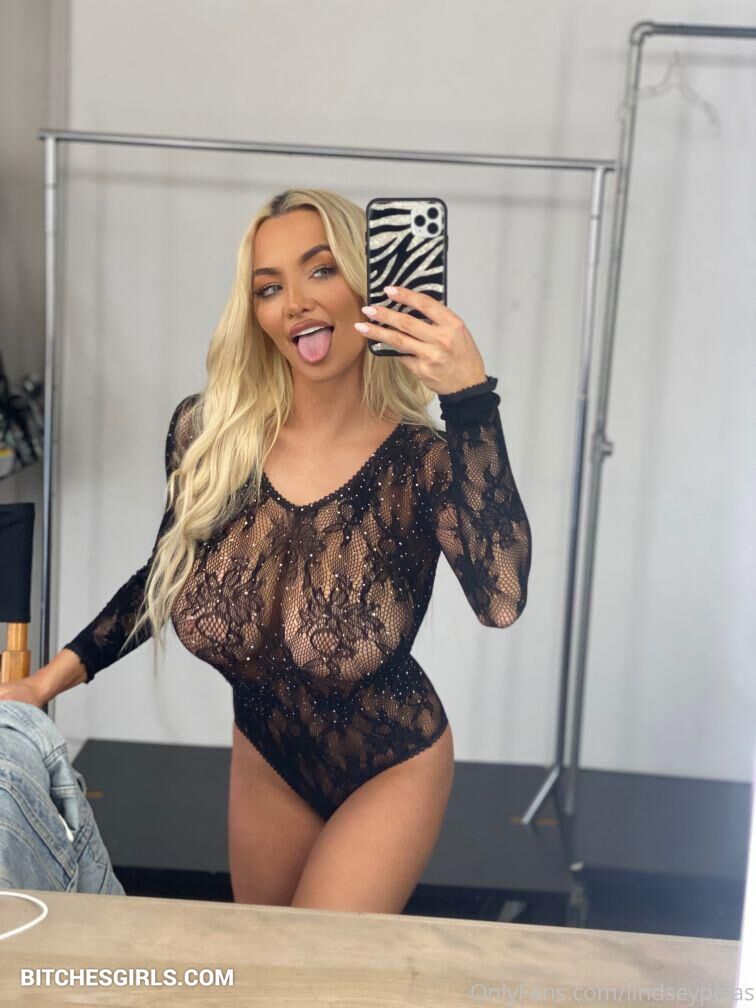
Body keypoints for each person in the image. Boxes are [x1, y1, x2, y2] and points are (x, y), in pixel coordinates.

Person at [0, 188, 532, 914]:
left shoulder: (423, 464)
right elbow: (164, 576)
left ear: (368, 284)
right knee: (259, 964)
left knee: (313, 969)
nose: (296, 303)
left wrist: (469, 398)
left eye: (321, 271)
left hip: (392, 764)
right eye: (269, 287)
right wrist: (45, 683)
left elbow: (501, 602)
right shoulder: (209, 436)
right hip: (266, 756)